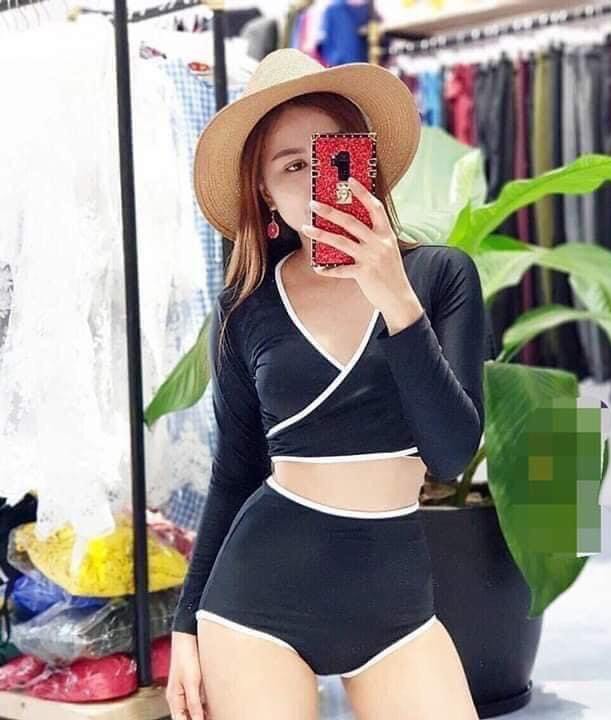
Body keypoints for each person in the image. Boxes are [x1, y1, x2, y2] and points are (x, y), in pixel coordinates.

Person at [167, 48, 485, 720]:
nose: (317, 183)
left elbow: (452, 455)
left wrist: (395, 298)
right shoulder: (245, 310)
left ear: (363, 160)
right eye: (291, 166)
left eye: (330, 157)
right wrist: (186, 627)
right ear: (264, 191)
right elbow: (235, 473)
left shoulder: (440, 277)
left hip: (397, 608)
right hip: (257, 603)